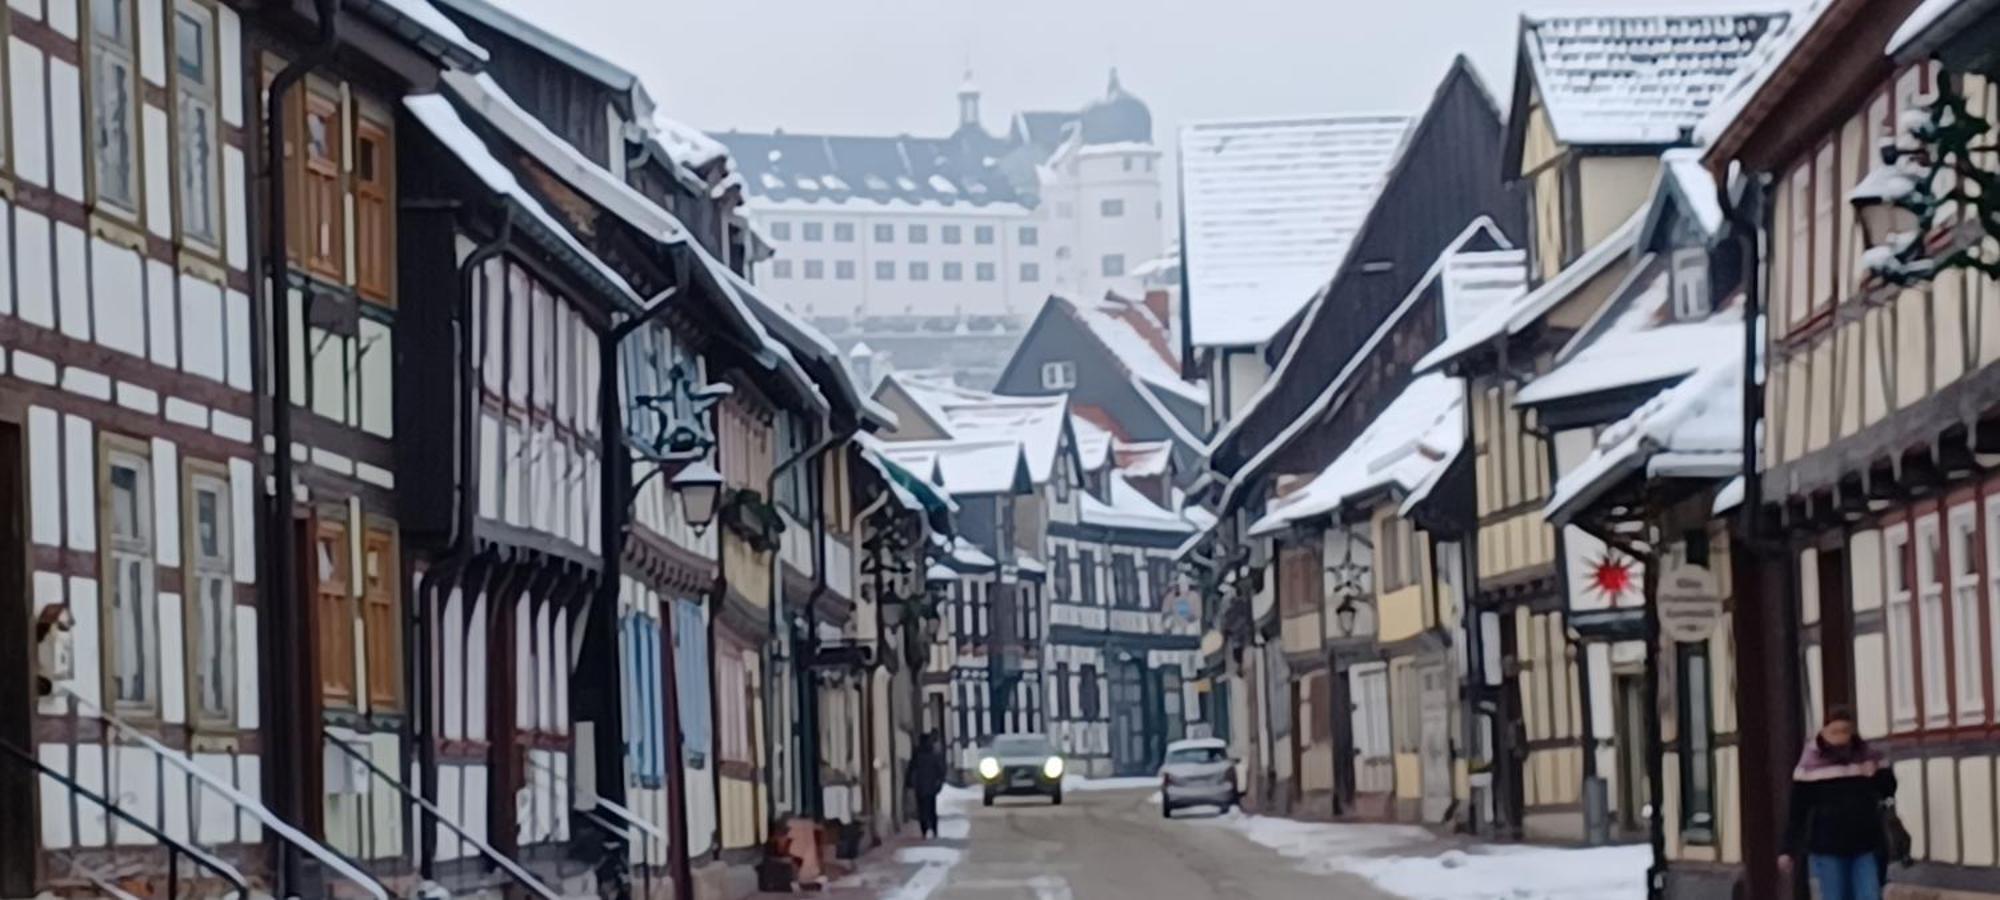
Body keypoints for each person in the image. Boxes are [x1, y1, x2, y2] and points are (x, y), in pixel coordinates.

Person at [1780, 705, 1897, 900]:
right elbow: (1798, 810)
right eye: (1835, 732)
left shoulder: (1867, 756)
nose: (1840, 737)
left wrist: (1877, 773)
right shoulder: (1810, 765)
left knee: (1869, 895)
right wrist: (1787, 849)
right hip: (1827, 847)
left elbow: (1888, 790)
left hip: (1865, 844)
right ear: (1824, 732)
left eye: (1845, 732)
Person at [908, 731, 948, 839]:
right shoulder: (933, 754)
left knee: (922, 810)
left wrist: (910, 784)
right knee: (931, 810)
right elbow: (940, 771)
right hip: (930, 787)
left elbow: (911, 770)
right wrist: (939, 782)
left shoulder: (917, 755)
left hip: (920, 787)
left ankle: (925, 830)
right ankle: (933, 830)